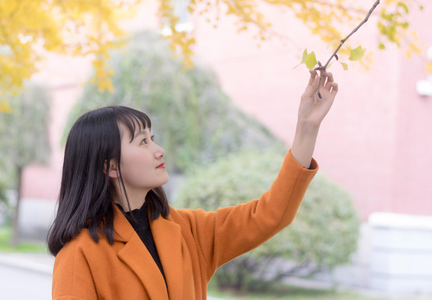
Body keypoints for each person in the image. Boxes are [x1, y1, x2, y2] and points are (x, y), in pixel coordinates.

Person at [47, 70, 338, 300]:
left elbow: (272, 213)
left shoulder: (188, 230)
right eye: (143, 142)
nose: (159, 150)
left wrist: (307, 128)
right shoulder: (79, 255)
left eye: (153, 138)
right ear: (109, 166)